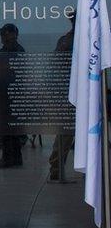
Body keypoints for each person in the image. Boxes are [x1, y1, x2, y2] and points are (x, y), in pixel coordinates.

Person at [0, 23, 25, 169]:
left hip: (10, 94)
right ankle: (14, 157)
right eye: (2, 34)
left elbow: (8, 70)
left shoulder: (14, 50)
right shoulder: (10, 50)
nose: (3, 37)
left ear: (12, 34)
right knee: (10, 128)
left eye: (5, 34)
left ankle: (9, 158)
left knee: (8, 128)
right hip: (9, 93)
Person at [49, 10, 76, 181]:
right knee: (67, 132)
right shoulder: (72, 40)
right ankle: (56, 166)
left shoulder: (66, 39)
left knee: (66, 131)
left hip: (69, 92)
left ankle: (56, 165)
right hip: (72, 92)